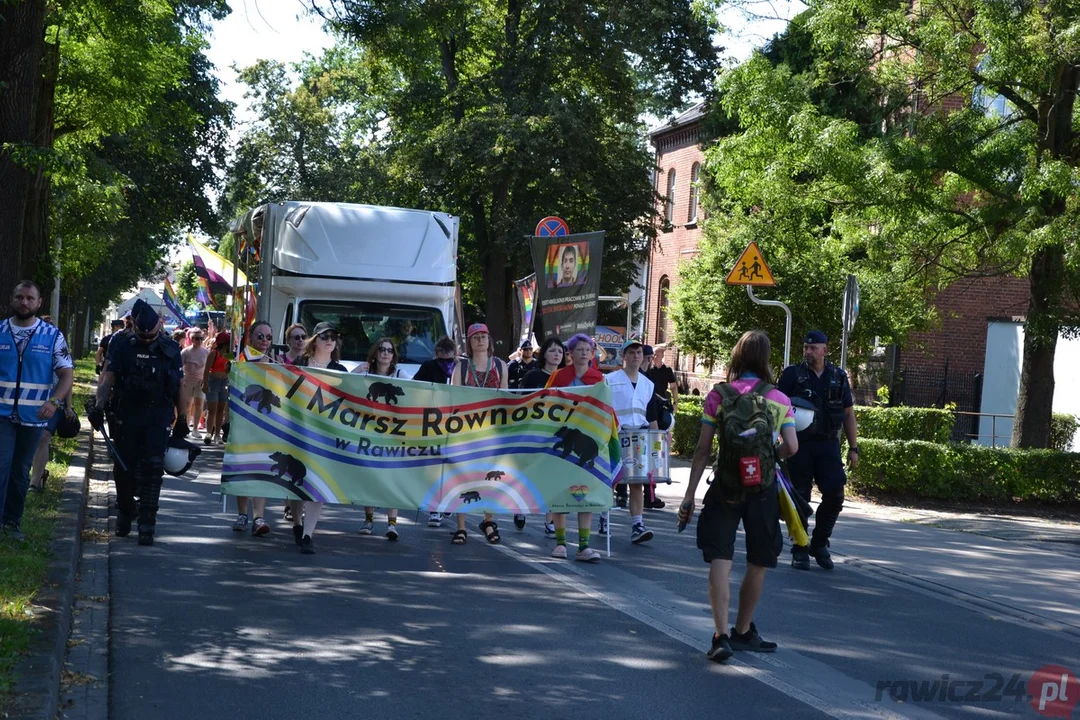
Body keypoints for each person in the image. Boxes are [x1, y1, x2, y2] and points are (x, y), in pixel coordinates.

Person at [677, 330, 798, 662]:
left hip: (726, 486)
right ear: (766, 358)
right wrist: (767, 454)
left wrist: (688, 496)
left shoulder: (718, 395)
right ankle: (743, 630)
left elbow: (702, 450)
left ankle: (721, 636)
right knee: (758, 560)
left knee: (721, 557)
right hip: (762, 489)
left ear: (737, 356)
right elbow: (792, 447)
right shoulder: (779, 399)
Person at [90, 299, 184, 546]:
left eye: (150, 335)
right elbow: (108, 378)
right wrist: (99, 406)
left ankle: (147, 522)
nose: (146, 339)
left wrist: (182, 417)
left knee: (153, 468)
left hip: (157, 415)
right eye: (142, 335)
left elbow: (179, 387)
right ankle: (125, 509)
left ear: (159, 327)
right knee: (124, 467)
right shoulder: (122, 344)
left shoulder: (170, 350)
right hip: (127, 414)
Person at [776, 330, 858, 571]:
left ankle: (820, 542)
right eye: (806, 347)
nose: (809, 351)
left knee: (835, 495)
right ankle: (799, 548)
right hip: (799, 445)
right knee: (800, 496)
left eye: (814, 348)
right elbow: (778, 407)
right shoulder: (792, 375)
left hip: (828, 444)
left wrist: (854, 447)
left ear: (825, 350)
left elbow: (848, 414)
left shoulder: (838, 376)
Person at [1, 282, 75, 540]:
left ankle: (12, 523)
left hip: (35, 416)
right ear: (11, 299)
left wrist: (54, 402)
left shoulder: (52, 336)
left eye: (29, 298)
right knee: (2, 464)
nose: (24, 302)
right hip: (2, 414)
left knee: (21, 470)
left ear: (39, 302)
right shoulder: (0, 331)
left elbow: (66, 374)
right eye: (19, 297)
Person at [544, 334, 605, 561]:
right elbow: (545, 402)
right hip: (563, 437)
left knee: (584, 494)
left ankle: (583, 546)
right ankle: (560, 543)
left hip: (587, 439)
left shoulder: (598, 379)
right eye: (578, 349)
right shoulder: (559, 377)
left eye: (587, 349)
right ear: (570, 353)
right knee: (561, 492)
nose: (582, 353)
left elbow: (606, 410)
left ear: (592, 354)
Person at [288, 321, 348, 553]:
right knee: (297, 481)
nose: (330, 340)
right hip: (299, 430)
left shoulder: (341, 372)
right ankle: (296, 522)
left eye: (333, 336)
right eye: (324, 336)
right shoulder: (300, 364)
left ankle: (307, 535)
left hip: (325, 434)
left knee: (318, 483)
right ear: (315, 340)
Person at [450, 323, 507, 544]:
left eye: (484, 336)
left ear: (489, 341)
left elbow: (504, 397)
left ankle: (488, 519)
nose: (480, 340)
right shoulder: (461, 368)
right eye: (476, 337)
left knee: (490, 477)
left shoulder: (501, 366)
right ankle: (461, 526)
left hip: (491, 430)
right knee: (463, 478)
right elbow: (453, 398)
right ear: (470, 343)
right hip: (466, 429)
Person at [604, 339, 660, 545]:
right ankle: (604, 517)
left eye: (639, 352)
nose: (636, 356)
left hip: (639, 436)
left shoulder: (648, 384)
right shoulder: (609, 380)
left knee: (637, 482)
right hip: (616, 435)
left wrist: (657, 445)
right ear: (623, 356)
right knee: (612, 479)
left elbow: (651, 415)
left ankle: (637, 524)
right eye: (632, 352)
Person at [353, 336, 407, 539]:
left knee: (392, 478)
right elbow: (345, 386)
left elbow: (415, 394)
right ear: (375, 354)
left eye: (389, 350)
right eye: (382, 349)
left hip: (394, 433)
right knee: (370, 477)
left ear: (394, 356)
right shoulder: (366, 374)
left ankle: (392, 523)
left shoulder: (402, 375)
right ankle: (368, 518)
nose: (385, 353)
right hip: (369, 431)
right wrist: (358, 370)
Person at [231, 321, 278, 537]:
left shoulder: (274, 361)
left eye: (269, 337)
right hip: (245, 419)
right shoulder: (244, 358)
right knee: (243, 468)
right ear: (250, 337)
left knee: (261, 468)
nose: (265, 341)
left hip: (266, 422)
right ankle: (242, 514)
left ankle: (259, 516)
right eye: (261, 336)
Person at [411, 336, 458, 527]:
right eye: (441, 358)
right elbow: (415, 387)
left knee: (451, 465)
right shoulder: (428, 367)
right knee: (435, 466)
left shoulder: (460, 367)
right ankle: (435, 508)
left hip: (457, 421)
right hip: (433, 422)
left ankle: (447, 501)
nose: (445, 362)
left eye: (448, 358)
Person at [29, 316, 76, 493]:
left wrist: (68, 406)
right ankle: (38, 473)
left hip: (54, 402)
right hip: (31, 401)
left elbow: (67, 380)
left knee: (44, 437)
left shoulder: (60, 351)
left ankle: (34, 483)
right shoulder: (28, 349)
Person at [201, 331, 231, 446]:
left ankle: (217, 434)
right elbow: (207, 369)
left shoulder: (229, 355)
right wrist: (205, 383)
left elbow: (231, 369)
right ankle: (209, 432)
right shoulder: (214, 353)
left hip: (224, 382)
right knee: (212, 409)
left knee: (221, 410)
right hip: (213, 382)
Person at [180, 328, 208, 440]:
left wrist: (206, 381)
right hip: (187, 380)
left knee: (199, 404)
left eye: (201, 338)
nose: (199, 341)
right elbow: (180, 367)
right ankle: (186, 426)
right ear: (191, 339)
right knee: (187, 405)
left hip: (200, 381)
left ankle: (195, 428)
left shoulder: (206, 352)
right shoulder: (185, 352)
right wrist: (182, 381)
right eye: (196, 338)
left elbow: (207, 368)